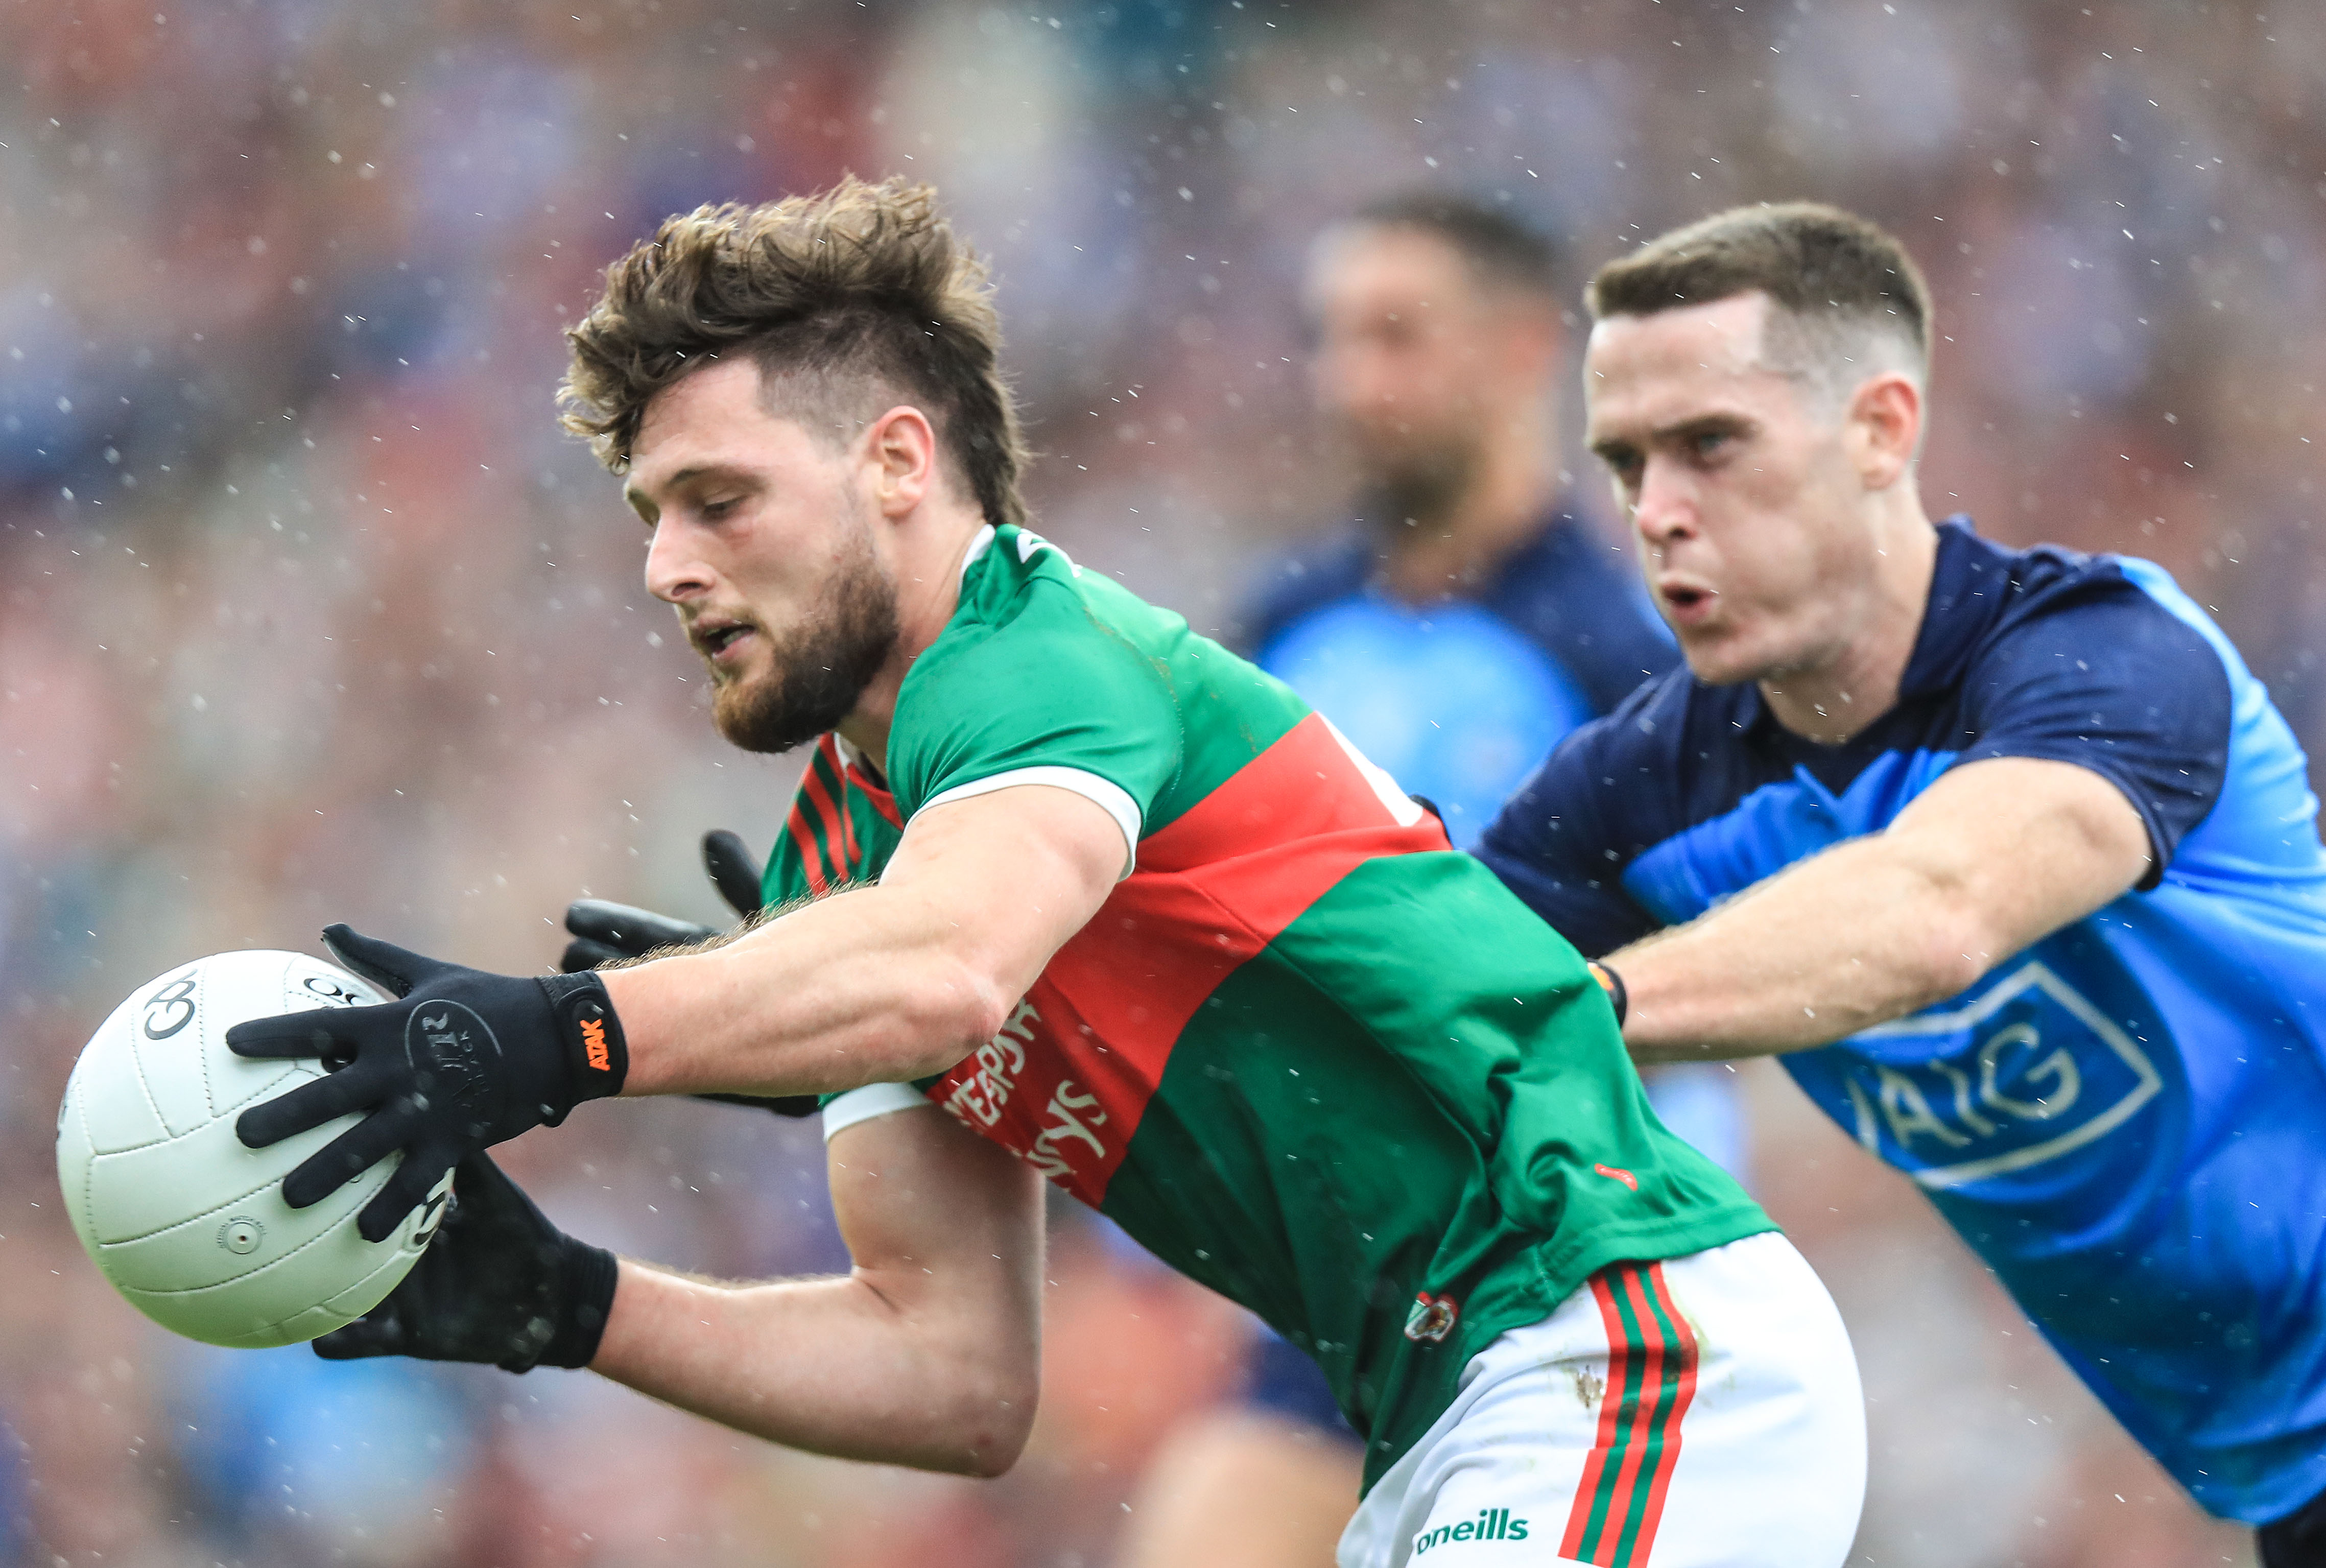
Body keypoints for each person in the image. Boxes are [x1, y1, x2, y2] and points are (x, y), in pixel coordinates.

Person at [222, 178, 1866, 1568]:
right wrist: (574, 1304)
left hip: (1620, 1341)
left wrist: (564, 1035)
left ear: (894, 464)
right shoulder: (843, 856)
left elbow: (942, 967)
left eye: (720, 501)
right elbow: (950, 1379)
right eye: (653, 515)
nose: (667, 566)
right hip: (1451, 1413)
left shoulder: (1037, 655)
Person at [1474, 200, 2326, 1567]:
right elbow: (1394, 1012)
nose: (1656, 513)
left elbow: (1932, 914)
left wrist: (1553, 1008)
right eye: (1626, 463)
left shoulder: (2106, 658)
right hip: (2278, 1471)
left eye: (1709, 446)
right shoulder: (1635, 790)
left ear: (1879, 428)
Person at [1121, 194, 1723, 1568]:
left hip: (1568, 1281)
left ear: (1520, 351)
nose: (1351, 382)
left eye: (1396, 337)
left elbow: (1703, 986)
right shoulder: (1280, 628)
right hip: (1346, 1281)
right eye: (1333, 339)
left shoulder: (1619, 654)